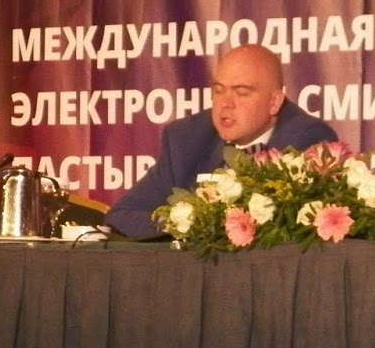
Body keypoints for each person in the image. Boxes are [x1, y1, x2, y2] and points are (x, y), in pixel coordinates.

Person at [103, 44, 337, 237]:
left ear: (274, 102)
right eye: (218, 90)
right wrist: (189, 224)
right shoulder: (186, 138)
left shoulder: (307, 140)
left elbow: (294, 229)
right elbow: (122, 215)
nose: (225, 103)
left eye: (241, 92)